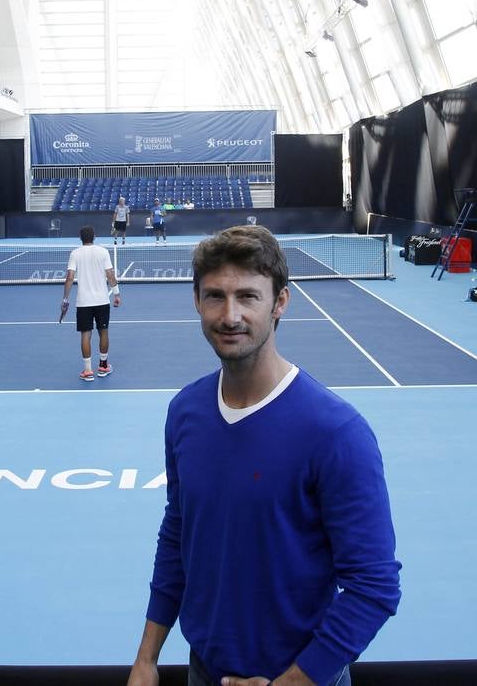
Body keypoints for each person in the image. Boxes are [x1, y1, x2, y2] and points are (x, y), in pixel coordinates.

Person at [127, 226, 401, 686]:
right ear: (197, 301)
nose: (230, 315)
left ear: (280, 303)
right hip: (204, 671)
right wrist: (146, 657)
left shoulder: (336, 432)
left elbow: (374, 588)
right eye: (215, 296)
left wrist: (291, 682)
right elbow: (179, 533)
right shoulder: (184, 412)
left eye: (248, 297)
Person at [61, 225, 120, 381]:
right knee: (104, 332)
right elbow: (110, 275)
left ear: (81, 238)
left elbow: (69, 278)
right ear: (94, 237)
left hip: (83, 303)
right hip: (102, 301)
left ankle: (88, 371)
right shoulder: (103, 252)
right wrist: (116, 294)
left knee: (85, 335)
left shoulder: (75, 254)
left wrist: (65, 299)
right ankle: (103, 366)